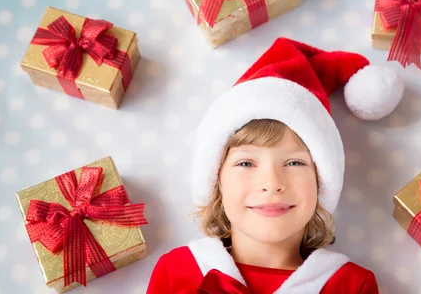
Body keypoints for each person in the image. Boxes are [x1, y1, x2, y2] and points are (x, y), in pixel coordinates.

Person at [147, 37, 404, 293]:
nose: (272, 183)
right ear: (216, 180)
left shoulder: (351, 286)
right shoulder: (176, 271)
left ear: (322, 181)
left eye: (294, 162)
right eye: (246, 163)